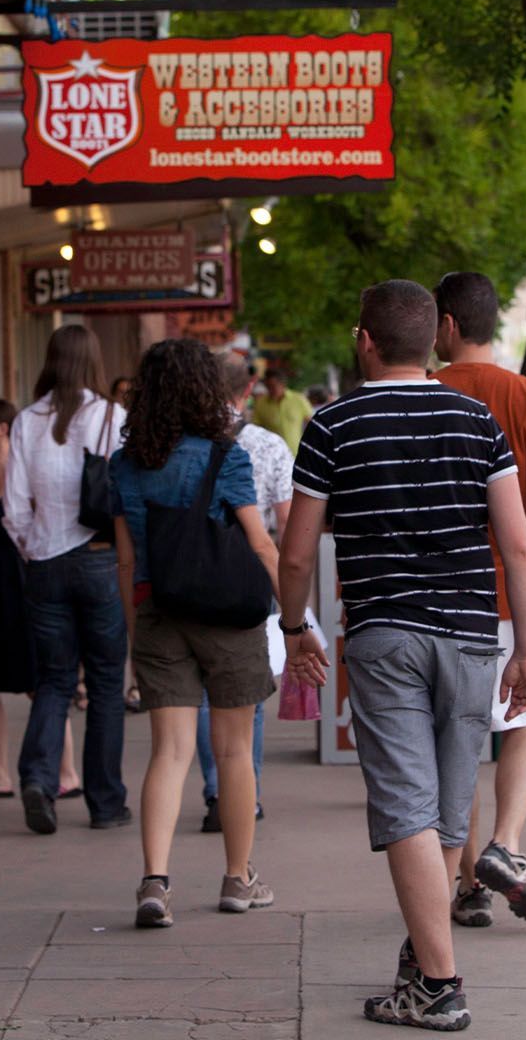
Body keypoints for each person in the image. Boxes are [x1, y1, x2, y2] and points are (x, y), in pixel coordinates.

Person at [279, 279, 526, 1031]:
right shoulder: (477, 421)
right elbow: (518, 546)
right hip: (468, 633)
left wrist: (296, 628)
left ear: (365, 338)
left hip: (386, 634)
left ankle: (438, 984)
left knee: (404, 810)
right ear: (434, 338)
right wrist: (524, 650)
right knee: (447, 802)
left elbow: (297, 555)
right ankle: (423, 955)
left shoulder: (333, 425)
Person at [109, 339, 280, 929]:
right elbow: (259, 543)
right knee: (234, 751)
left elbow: (126, 561)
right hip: (228, 615)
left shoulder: (127, 463)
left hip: (159, 610)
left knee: (170, 751)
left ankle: (154, 881)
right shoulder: (224, 455)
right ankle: (238, 878)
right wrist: (298, 616)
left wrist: (137, 629)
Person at [431, 272, 526, 927]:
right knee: (525, 726)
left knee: (453, 744)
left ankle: (465, 885)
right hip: (515, 601)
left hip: (437, 602)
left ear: (447, 326)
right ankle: (506, 846)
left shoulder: (420, 394)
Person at [5, 324, 133, 834]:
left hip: (44, 564)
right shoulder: (110, 415)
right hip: (100, 560)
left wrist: (34, 548)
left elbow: (13, 508)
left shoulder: (24, 420)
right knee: (105, 684)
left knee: (55, 680)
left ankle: (38, 780)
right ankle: (105, 803)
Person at [0, 399, 80, 800]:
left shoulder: (26, 477)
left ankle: (67, 772)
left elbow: (48, 530)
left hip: (24, 586)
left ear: (3, 428)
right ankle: (0, 774)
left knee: (39, 682)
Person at [195, 351, 295, 834]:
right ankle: (244, 794)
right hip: (250, 579)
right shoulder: (269, 445)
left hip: (188, 576)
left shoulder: (176, 442)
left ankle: (215, 790)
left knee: (198, 693)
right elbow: (287, 525)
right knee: (248, 693)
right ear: (245, 392)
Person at [250, 369, 312, 453]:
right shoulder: (260, 403)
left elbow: (311, 424)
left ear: (282, 384)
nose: (270, 389)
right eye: (267, 386)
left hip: (296, 452)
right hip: (272, 453)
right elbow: (255, 428)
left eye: (273, 386)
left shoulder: (298, 399)